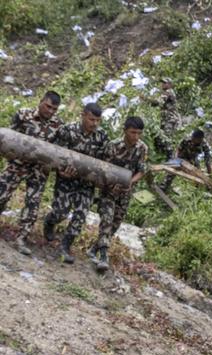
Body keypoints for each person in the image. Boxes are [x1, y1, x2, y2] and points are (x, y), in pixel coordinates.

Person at [43, 102, 108, 264]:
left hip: (86, 184)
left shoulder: (102, 137)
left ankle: (65, 246)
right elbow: (55, 154)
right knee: (60, 212)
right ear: (83, 115)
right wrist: (61, 171)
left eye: (98, 121)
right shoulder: (68, 131)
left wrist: (100, 180)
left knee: (80, 216)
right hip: (66, 179)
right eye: (92, 119)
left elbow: (104, 162)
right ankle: (49, 221)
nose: (95, 124)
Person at [0, 91, 63, 255]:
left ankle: (21, 238)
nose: (50, 111)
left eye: (54, 109)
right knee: (2, 194)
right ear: (41, 101)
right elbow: (10, 138)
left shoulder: (58, 125)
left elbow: (58, 152)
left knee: (32, 206)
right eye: (48, 107)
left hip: (39, 171)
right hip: (17, 165)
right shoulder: (23, 115)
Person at [88, 116, 149, 271]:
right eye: (132, 132)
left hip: (125, 193)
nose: (135, 136)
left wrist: (130, 183)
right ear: (125, 131)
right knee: (106, 220)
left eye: (139, 133)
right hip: (109, 190)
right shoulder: (113, 146)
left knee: (115, 224)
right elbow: (103, 169)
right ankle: (103, 256)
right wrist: (110, 184)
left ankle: (93, 250)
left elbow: (142, 171)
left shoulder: (142, 148)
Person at [151, 77, 181, 159]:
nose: (163, 84)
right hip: (167, 119)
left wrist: (146, 99)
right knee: (165, 138)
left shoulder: (168, 92)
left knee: (167, 139)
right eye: (162, 83)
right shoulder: (166, 93)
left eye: (165, 83)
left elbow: (157, 102)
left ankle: (170, 159)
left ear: (170, 85)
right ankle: (168, 157)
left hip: (170, 120)